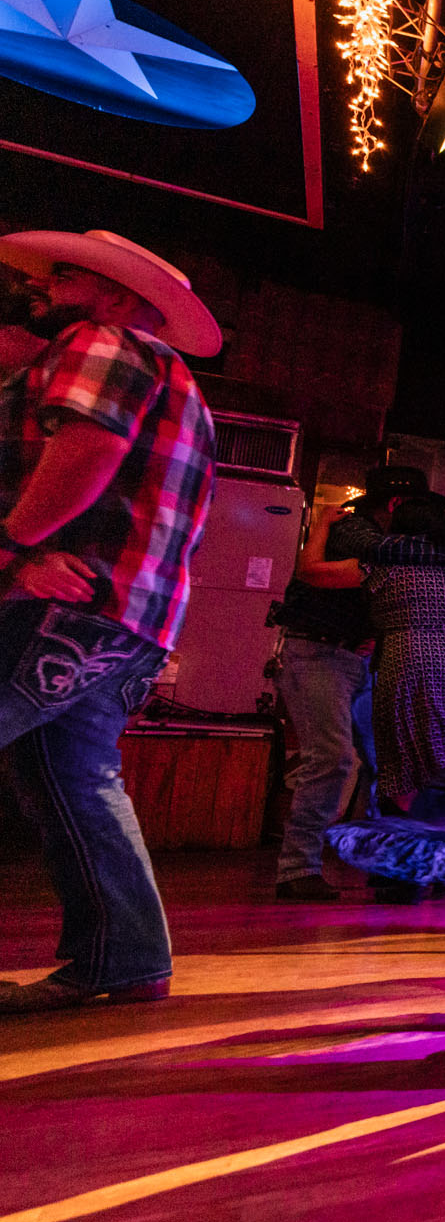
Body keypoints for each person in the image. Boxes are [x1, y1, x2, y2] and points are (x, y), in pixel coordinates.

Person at [0, 229, 217, 1014]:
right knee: (71, 776)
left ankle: (122, 959)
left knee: (70, 776)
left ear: (119, 296)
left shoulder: (104, 340)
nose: (47, 287)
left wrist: (10, 543)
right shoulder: (180, 381)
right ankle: (123, 959)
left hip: (64, 598)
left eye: (66, 276)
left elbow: (88, 449)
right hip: (131, 616)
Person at [269, 465, 445, 902]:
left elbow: (319, 571)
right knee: (345, 760)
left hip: (375, 658)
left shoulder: (395, 558)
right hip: (322, 651)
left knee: (393, 765)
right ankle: (302, 869)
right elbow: (316, 569)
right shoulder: (361, 535)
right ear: (396, 505)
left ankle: (396, 869)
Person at [297, 491, 445, 813]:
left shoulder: (385, 565)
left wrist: (321, 525)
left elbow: (310, 571)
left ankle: (403, 840)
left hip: (412, 658)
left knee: (407, 760)